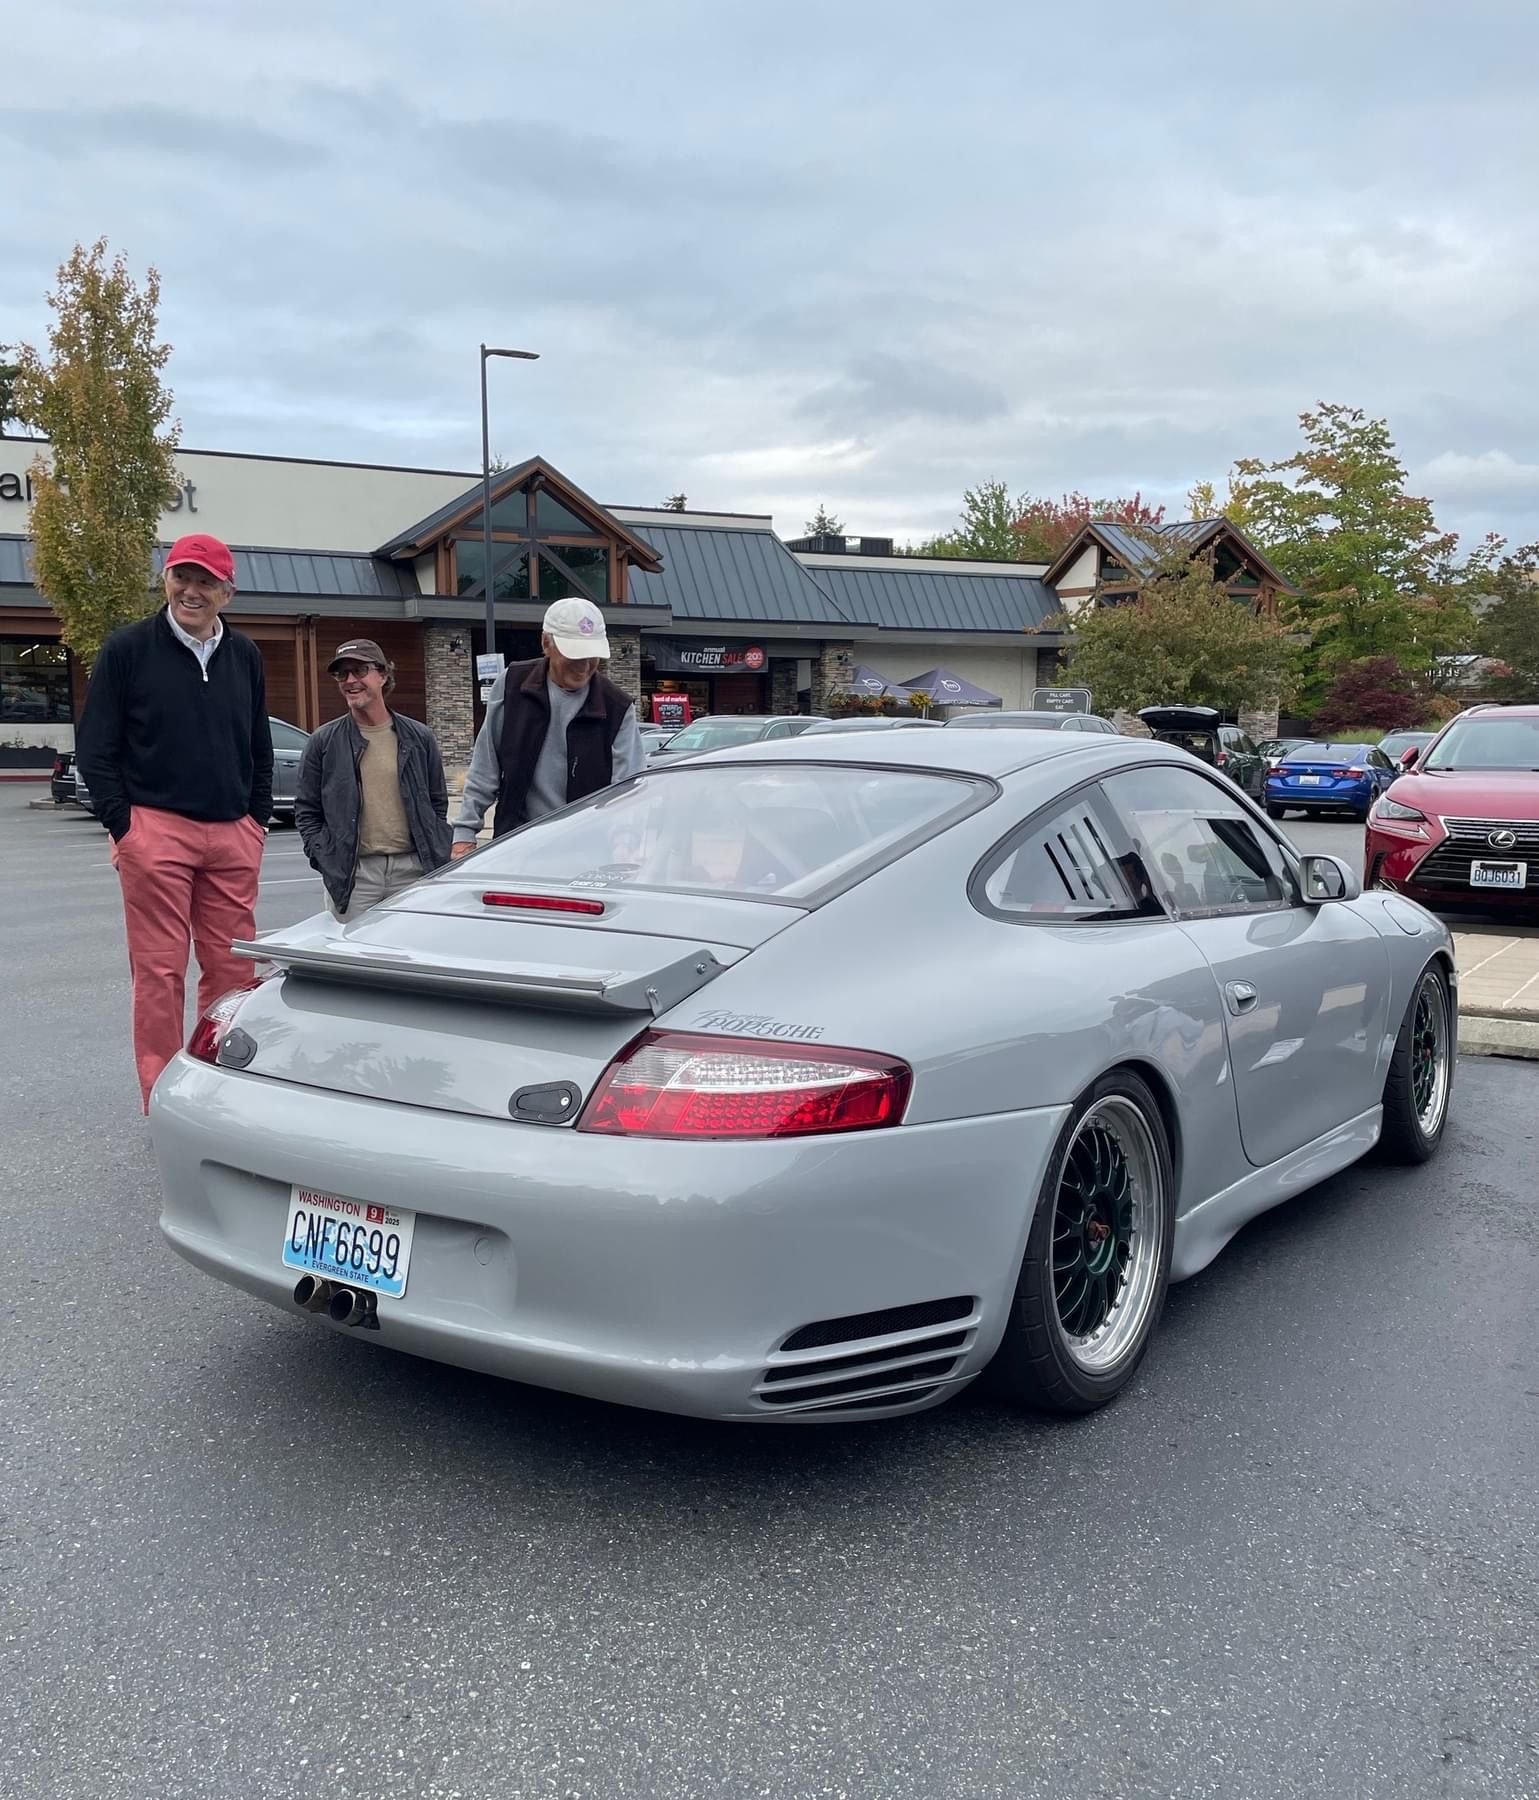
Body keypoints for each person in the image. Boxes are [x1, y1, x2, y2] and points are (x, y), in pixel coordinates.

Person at [75, 533, 273, 1110]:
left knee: (232, 970)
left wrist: (255, 820)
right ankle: (163, 1095)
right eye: (182, 577)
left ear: (226, 593)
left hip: (232, 832)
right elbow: (97, 747)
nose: (192, 590)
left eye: (206, 581)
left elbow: (258, 744)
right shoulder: (128, 649)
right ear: (166, 580)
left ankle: (221, 1087)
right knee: (160, 973)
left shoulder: (245, 656)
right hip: (155, 829)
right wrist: (125, 828)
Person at [451, 597, 646, 856]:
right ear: (546, 643)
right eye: (575, 655)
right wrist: (465, 832)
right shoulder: (511, 685)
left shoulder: (617, 707)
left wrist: (625, 842)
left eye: (592, 657)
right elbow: (485, 768)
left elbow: (627, 789)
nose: (585, 666)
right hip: (515, 843)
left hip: (587, 849)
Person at [294, 638, 452, 920]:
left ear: (383, 675)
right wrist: (325, 857)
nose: (350, 680)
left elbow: (437, 803)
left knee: (411, 956)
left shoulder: (419, 738)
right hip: (354, 875)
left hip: (413, 871)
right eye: (342, 674)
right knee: (353, 961)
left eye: (360, 670)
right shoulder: (324, 741)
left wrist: (435, 848)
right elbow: (307, 810)